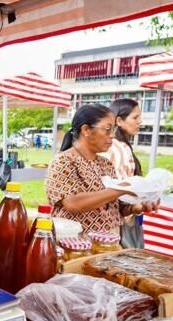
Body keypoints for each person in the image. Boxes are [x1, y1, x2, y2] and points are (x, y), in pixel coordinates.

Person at [45, 104, 157, 235]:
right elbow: (72, 204)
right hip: (77, 245)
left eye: (114, 130)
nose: (112, 136)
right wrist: (121, 189)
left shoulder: (106, 164)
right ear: (86, 130)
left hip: (109, 244)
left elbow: (115, 207)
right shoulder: (63, 161)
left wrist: (137, 207)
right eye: (107, 129)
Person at [103, 98, 145, 248]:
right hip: (121, 218)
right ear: (119, 120)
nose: (140, 121)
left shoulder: (118, 146)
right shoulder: (119, 148)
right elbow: (121, 189)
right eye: (135, 117)